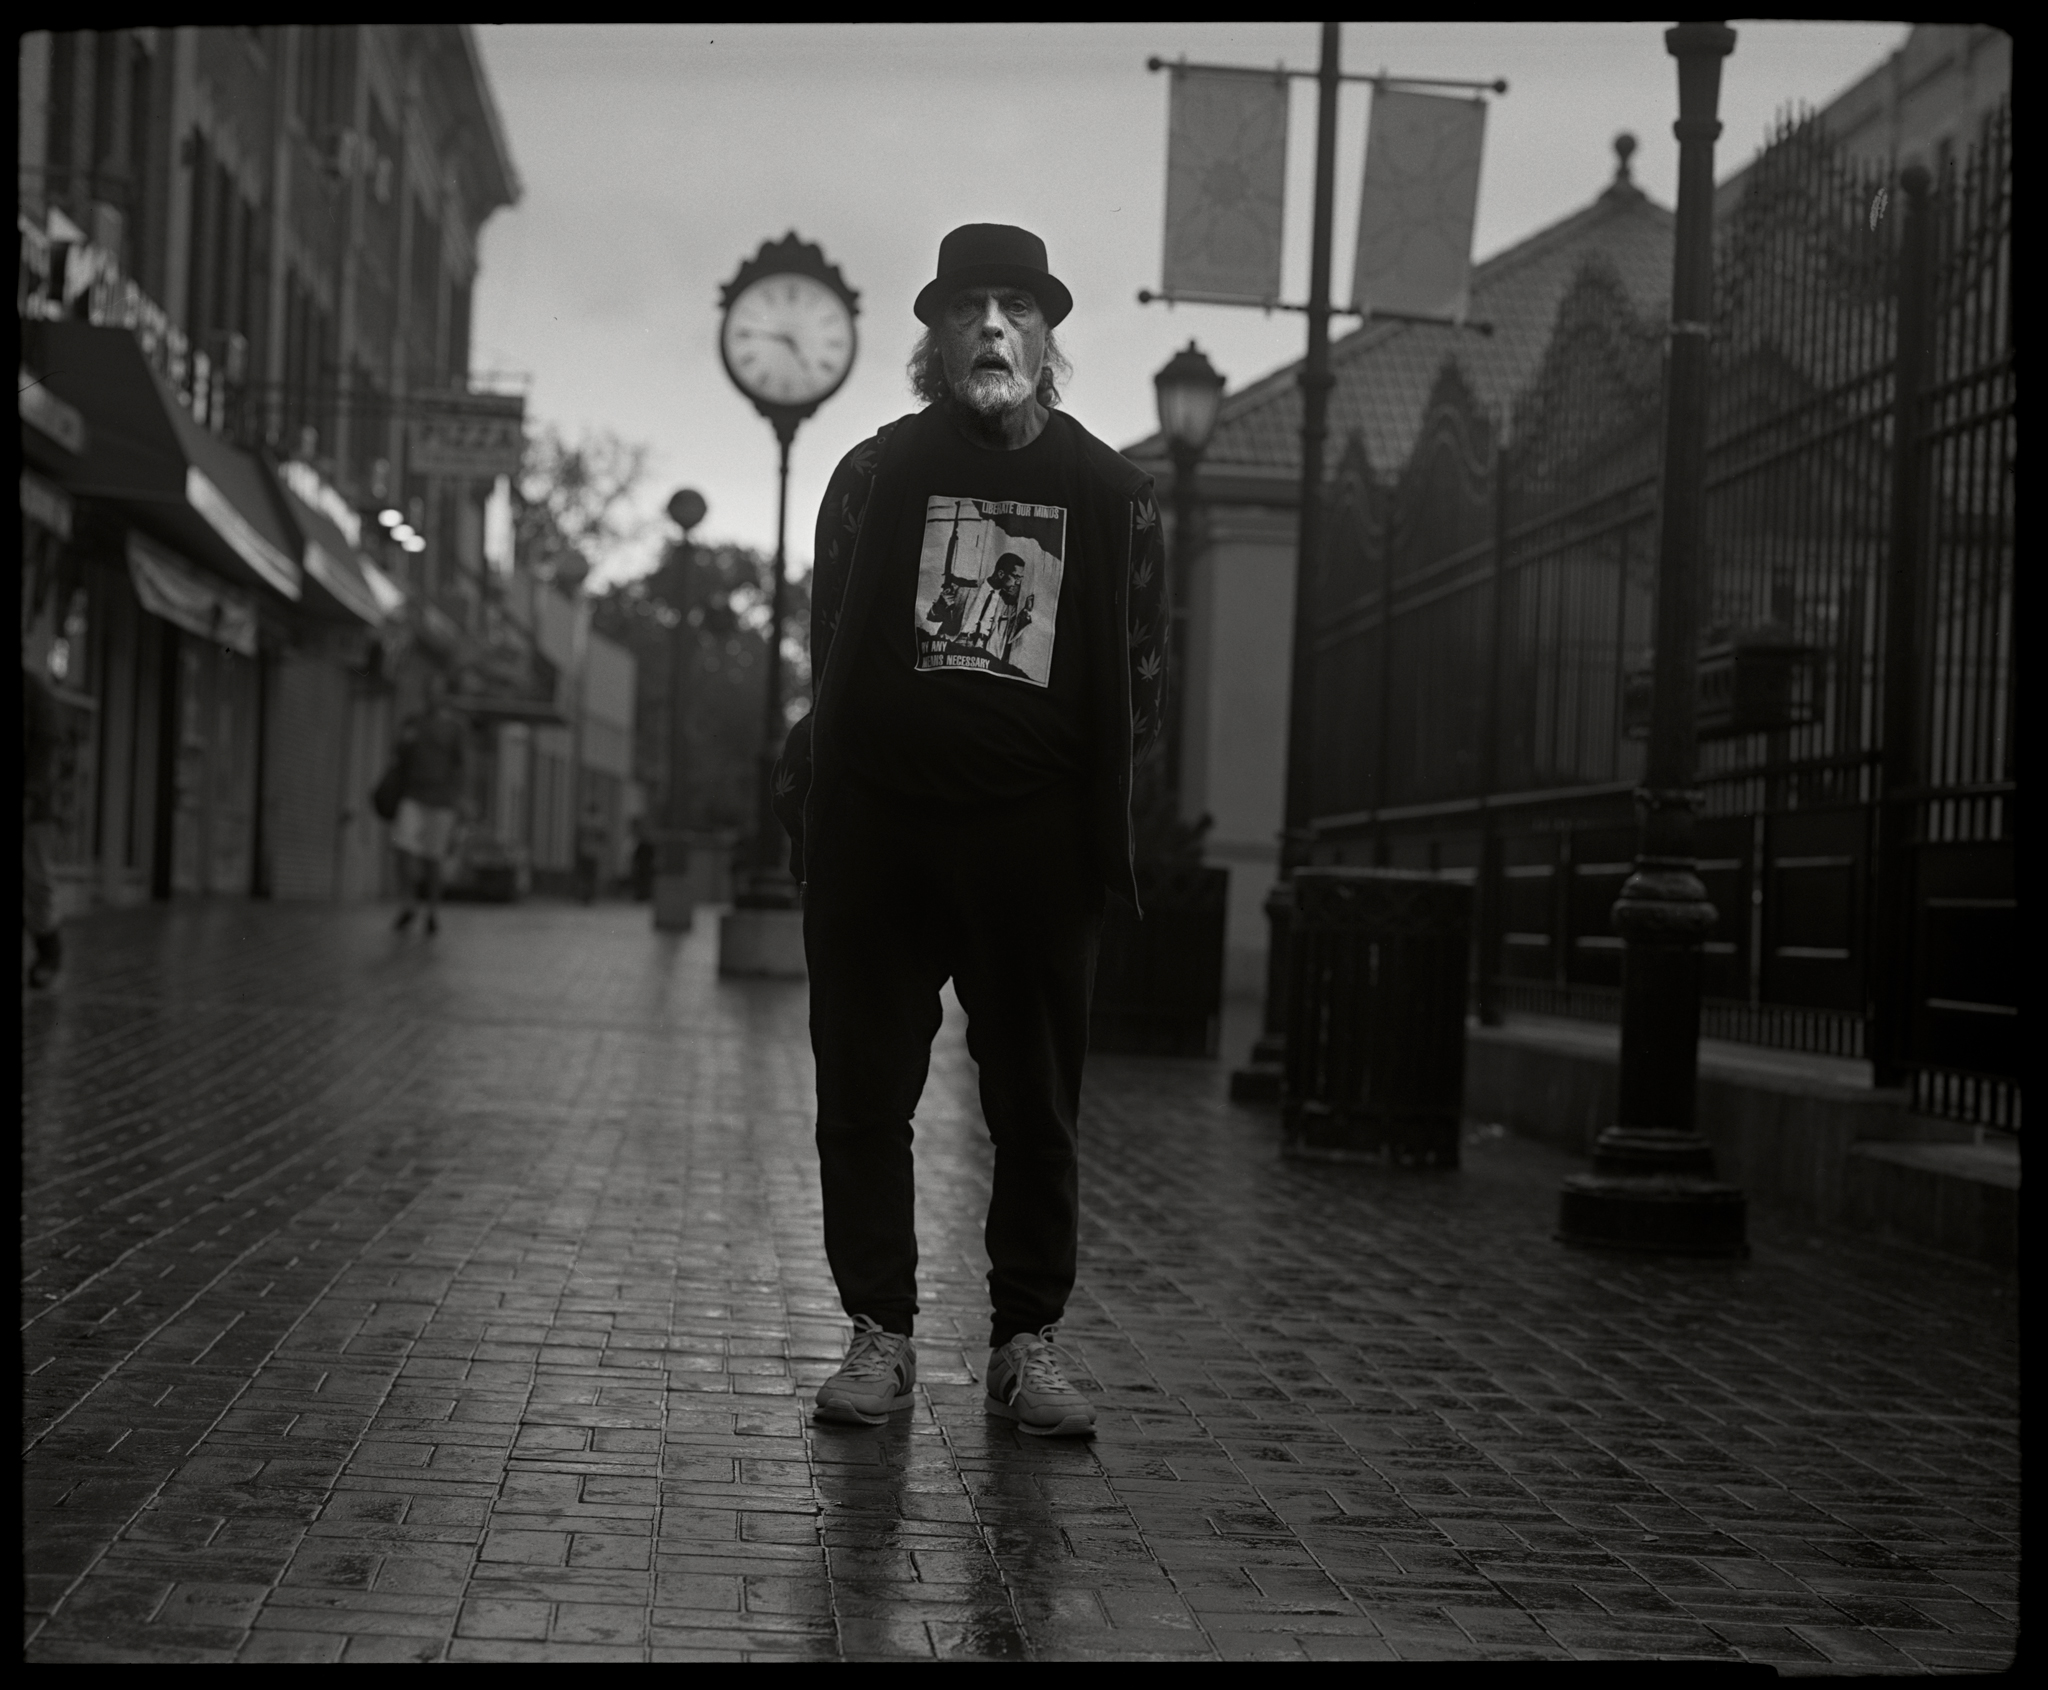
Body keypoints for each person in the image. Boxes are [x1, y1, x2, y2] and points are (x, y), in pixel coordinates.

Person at [772, 223, 1168, 1438]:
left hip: (1033, 851)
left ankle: (1024, 1344)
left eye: (1015, 307)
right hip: (881, 837)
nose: (991, 327)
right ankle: (879, 1335)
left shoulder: (1109, 494)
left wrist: (1061, 807)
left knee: (1035, 1107)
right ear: (934, 338)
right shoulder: (874, 475)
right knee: (863, 1094)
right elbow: (830, 634)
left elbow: (1141, 675)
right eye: (967, 308)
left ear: (1047, 336)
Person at [389, 674, 467, 936]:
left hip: (441, 800)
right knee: (403, 846)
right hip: (413, 794)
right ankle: (408, 903)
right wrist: (405, 741)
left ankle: (432, 911)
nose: (433, 695)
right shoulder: (413, 722)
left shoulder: (454, 728)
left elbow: (460, 767)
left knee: (434, 859)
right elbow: (398, 754)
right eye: (429, 690)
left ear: (444, 695)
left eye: (438, 690)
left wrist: (458, 802)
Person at [22, 661, 67, 988]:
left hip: (33, 810)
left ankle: (49, 952)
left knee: (35, 881)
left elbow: (48, 747)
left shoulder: (34, 692)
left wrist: (32, 794)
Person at [574, 799, 609, 905]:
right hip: (593, 852)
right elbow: (604, 837)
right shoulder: (600, 820)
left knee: (585, 876)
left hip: (585, 850)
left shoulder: (583, 819)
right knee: (590, 876)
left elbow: (578, 836)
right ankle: (589, 896)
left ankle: (585, 896)